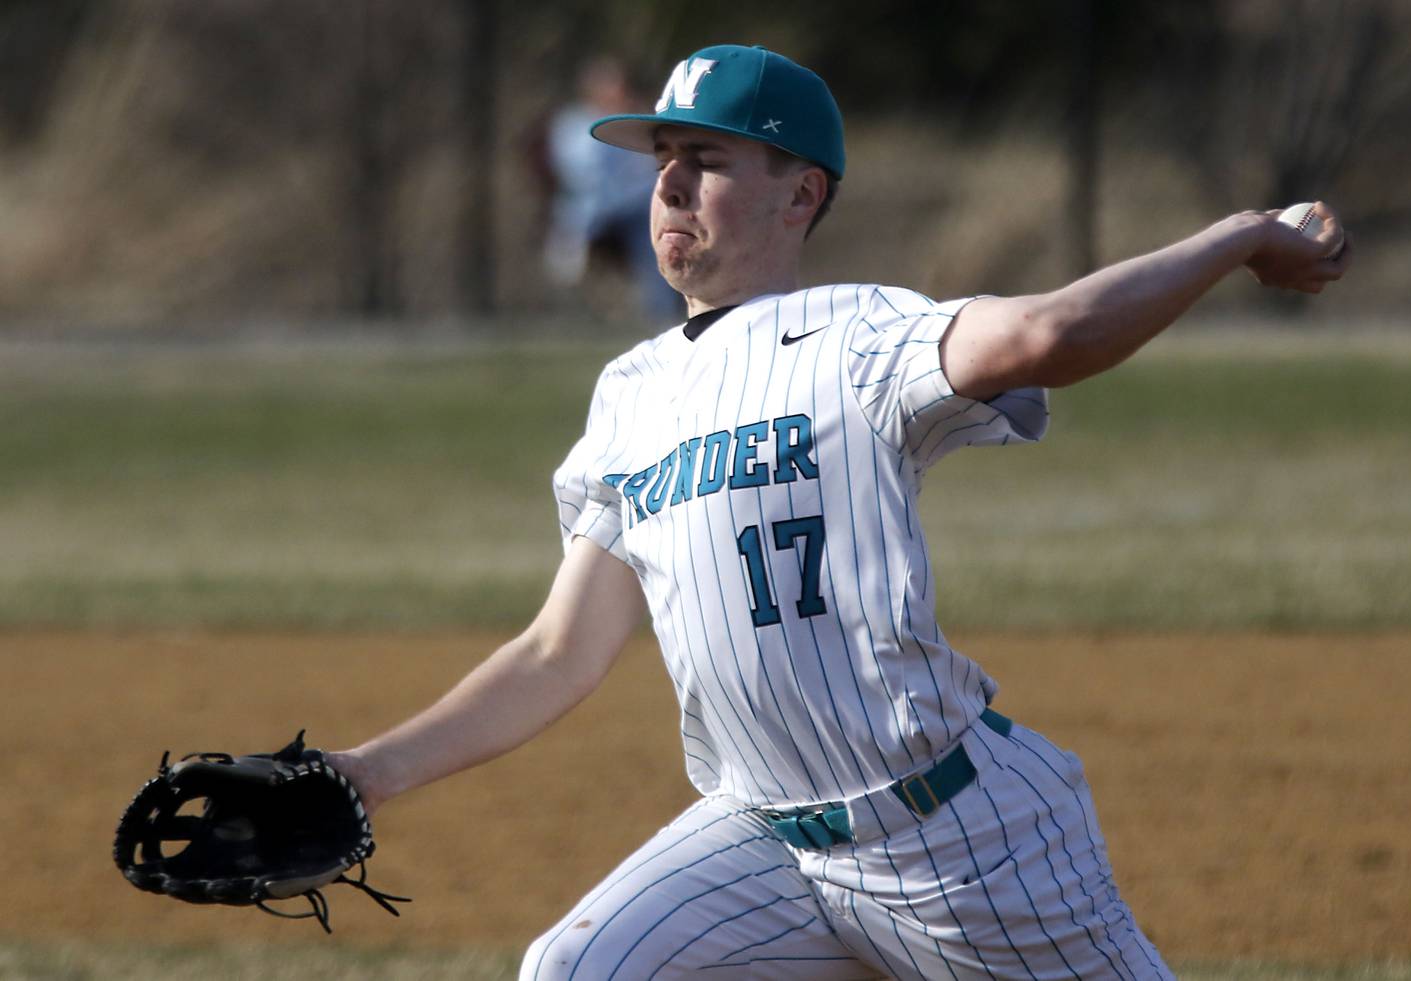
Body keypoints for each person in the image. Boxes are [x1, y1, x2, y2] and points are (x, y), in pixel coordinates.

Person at [329, 44, 1349, 979]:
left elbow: (1049, 333)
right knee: (574, 969)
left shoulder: (860, 335)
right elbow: (559, 652)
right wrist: (368, 772)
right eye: (664, 159)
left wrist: (1238, 237)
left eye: (711, 159)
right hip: (764, 844)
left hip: (959, 844)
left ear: (800, 193)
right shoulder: (629, 394)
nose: (671, 182)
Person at [539, 56, 684, 325]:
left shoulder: (640, 121)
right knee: (571, 244)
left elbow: (650, 169)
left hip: (634, 206)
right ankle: (568, 309)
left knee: (653, 231)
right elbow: (580, 173)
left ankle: (661, 313)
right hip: (588, 207)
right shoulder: (574, 124)